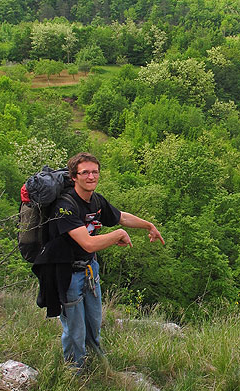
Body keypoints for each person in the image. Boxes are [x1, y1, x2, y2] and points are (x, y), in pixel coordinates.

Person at [50, 151, 164, 375]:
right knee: (75, 328)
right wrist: (117, 235)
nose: (91, 176)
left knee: (93, 322)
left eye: (95, 172)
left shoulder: (96, 200)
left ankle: (97, 366)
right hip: (68, 274)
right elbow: (88, 243)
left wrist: (148, 225)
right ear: (74, 177)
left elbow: (120, 216)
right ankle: (74, 374)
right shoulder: (65, 206)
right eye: (85, 173)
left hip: (91, 271)